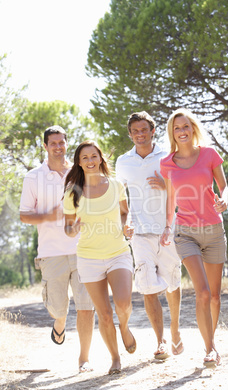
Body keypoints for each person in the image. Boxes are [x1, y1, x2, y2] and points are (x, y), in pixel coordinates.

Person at [20, 125, 95, 373]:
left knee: (86, 306)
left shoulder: (79, 173)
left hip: (83, 248)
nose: (58, 147)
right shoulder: (33, 177)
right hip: (51, 253)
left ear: (66, 144)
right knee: (57, 308)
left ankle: (83, 360)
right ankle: (59, 323)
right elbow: (24, 215)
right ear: (45, 146)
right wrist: (48, 215)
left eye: (62, 142)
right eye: (53, 143)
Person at [160, 108, 228, 367]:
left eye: (186, 126)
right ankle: (210, 349)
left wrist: (225, 200)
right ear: (172, 133)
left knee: (214, 296)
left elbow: (224, 188)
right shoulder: (167, 163)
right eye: (177, 128)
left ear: (193, 129)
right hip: (185, 231)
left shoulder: (209, 154)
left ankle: (211, 341)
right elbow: (170, 199)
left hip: (213, 229)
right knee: (201, 292)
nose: (182, 131)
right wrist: (168, 226)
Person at [63, 140, 136, 375]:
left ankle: (124, 327)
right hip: (89, 257)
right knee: (104, 314)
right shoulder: (72, 192)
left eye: (94, 156)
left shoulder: (116, 185)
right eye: (85, 158)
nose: (90, 161)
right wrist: (73, 229)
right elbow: (68, 227)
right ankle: (115, 359)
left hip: (118, 252)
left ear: (101, 158)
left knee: (123, 305)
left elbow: (125, 213)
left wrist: (127, 227)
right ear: (79, 162)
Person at [116, 111, 183, 360]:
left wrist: (167, 184)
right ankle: (161, 341)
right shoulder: (123, 162)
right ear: (130, 134)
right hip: (140, 233)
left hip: (168, 229)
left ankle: (175, 331)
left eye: (144, 130)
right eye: (135, 131)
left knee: (173, 284)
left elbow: (184, 185)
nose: (140, 134)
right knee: (147, 287)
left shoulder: (167, 155)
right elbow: (121, 199)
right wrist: (125, 223)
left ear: (152, 131)